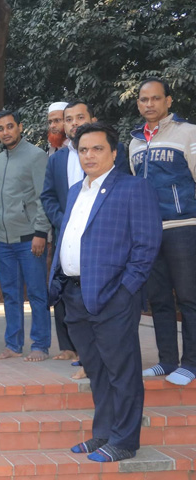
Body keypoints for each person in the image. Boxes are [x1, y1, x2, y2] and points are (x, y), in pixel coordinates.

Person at [50, 122, 161, 462]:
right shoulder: (74, 191)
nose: (89, 155)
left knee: (121, 371)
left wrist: (126, 290)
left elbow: (147, 244)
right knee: (97, 369)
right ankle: (103, 434)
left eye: (97, 148)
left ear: (114, 152)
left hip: (113, 297)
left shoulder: (132, 188)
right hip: (75, 294)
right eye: (83, 149)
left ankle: (125, 441)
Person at [41, 100, 131, 371]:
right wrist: (64, 222)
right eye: (68, 119)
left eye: (80, 117)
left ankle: (103, 360)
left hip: (103, 243)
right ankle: (80, 354)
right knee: (70, 299)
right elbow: (47, 196)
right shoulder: (57, 158)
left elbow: (122, 192)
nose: (74, 123)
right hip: (68, 239)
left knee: (100, 301)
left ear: (92, 118)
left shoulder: (113, 152)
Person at [129, 77, 196, 386]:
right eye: (144, 99)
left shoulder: (188, 133)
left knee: (188, 297)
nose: (150, 104)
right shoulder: (135, 142)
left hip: (183, 227)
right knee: (158, 299)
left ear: (169, 101)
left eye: (156, 98)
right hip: (150, 232)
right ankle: (167, 360)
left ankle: (191, 363)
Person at [0, 111, 51, 362]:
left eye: (10, 127)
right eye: (1, 129)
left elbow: (43, 197)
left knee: (37, 294)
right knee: (11, 295)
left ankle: (40, 345)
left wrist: (40, 232)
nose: (6, 132)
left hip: (30, 238)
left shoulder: (36, 156)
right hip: (4, 241)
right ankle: (13, 345)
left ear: (20, 127)